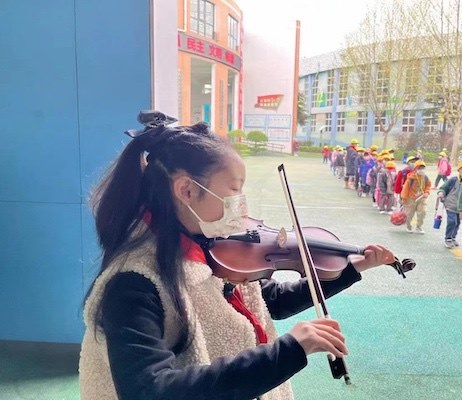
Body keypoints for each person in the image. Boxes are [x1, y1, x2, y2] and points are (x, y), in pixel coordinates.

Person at [79, 111, 397, 400]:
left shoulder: (211, 244)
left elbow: (271, 300)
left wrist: (351, 269)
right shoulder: (133, 283)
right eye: (234, 189)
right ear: (187, 191)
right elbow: (150, 390)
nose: (242, 205)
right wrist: (287, 351)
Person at [437, 160, 462, 248]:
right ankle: (448, 238)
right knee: (452, 221)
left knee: (457, 223)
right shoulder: (453, 180)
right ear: (459, 170)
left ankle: (453, 237)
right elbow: (443, 188)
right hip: (451, 204)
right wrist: (441, 192)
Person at [400, 160, 431, 234]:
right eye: (419, 168)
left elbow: (428, 185)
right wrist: (404, 199)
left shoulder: (425, 177)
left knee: (422, 212)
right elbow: (405, 189)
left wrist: (427, 192)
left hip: (421, 198)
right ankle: (409, 226)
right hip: (411, 199)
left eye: (423, 168)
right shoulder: (411, 178)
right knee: (409, 214)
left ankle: (419, 227)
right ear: (415, 169)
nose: (421, 170)